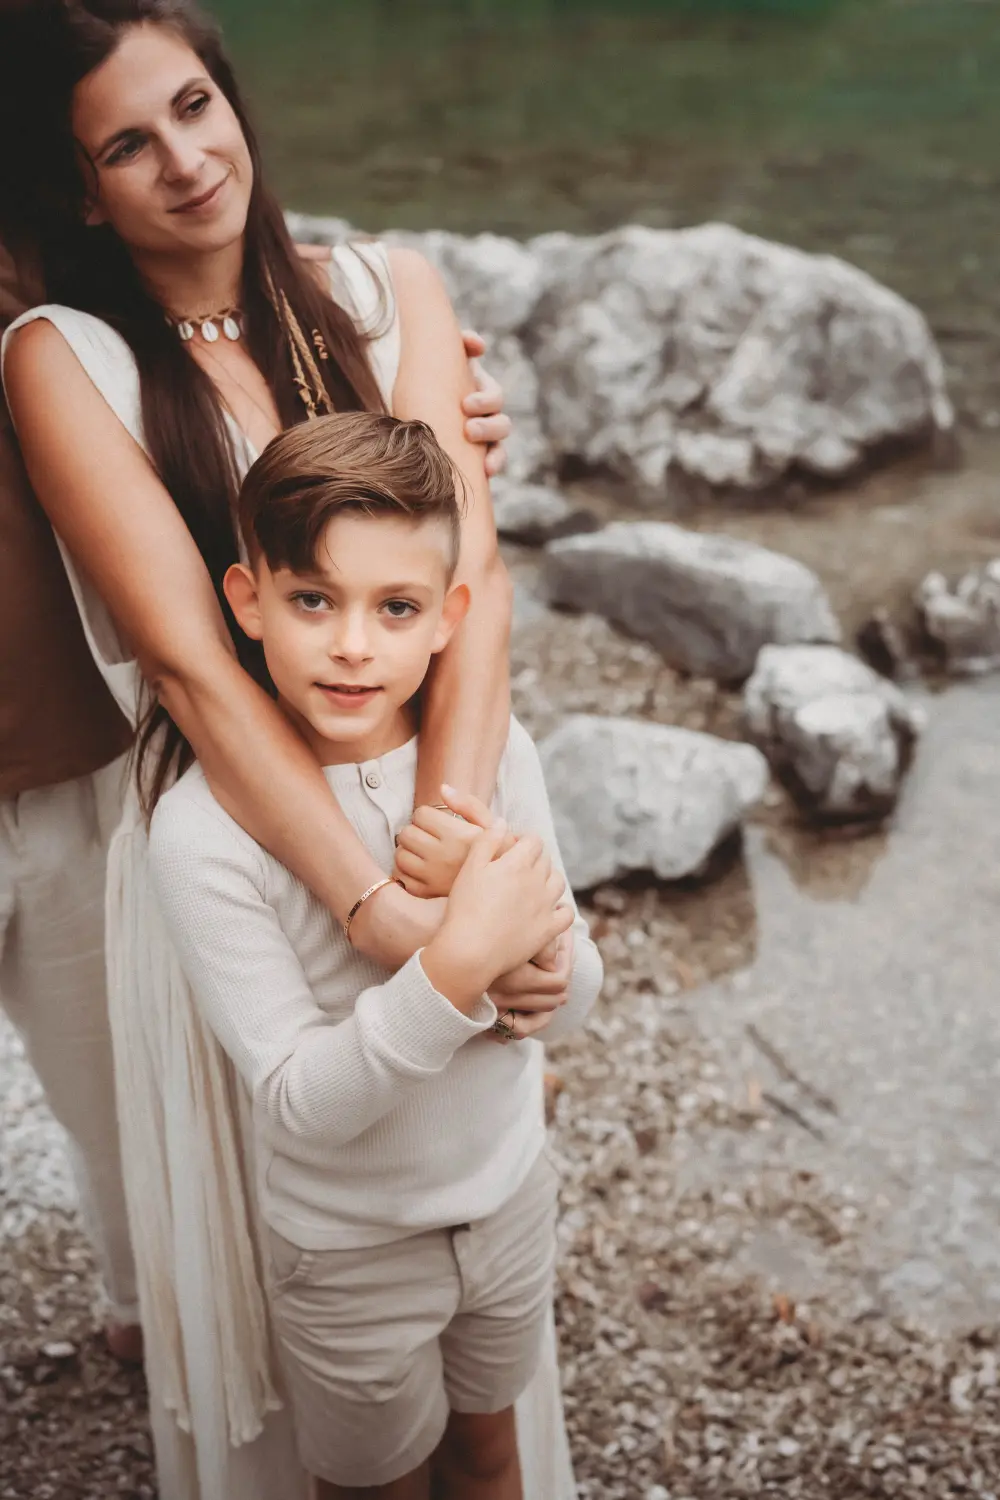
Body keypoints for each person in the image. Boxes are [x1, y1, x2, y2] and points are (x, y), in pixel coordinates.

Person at [0, 2, 579, 1496]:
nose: (188, 159)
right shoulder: (66, 359)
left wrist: (447, 853)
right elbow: (193, 667)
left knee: (475, 1193)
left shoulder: (394, 289)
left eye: (197, 105)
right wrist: (382, 911)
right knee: (308, 1250)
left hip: (434, 783)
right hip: (243, 848)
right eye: (129, 143)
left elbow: (476, 588)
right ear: (80, 190)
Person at [148, 412, 603, 1499]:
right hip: (349, 1253)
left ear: (447, 619)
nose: (354, 645)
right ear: (247, 599)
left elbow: (577, 993)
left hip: (504, 1200)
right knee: (376, 1484)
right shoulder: (203, 833)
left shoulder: (496, 757)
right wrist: (454, 973)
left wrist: (540, 972)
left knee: (489, 1452)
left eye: (394, 608)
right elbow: (299, 1102)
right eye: (313, 600)